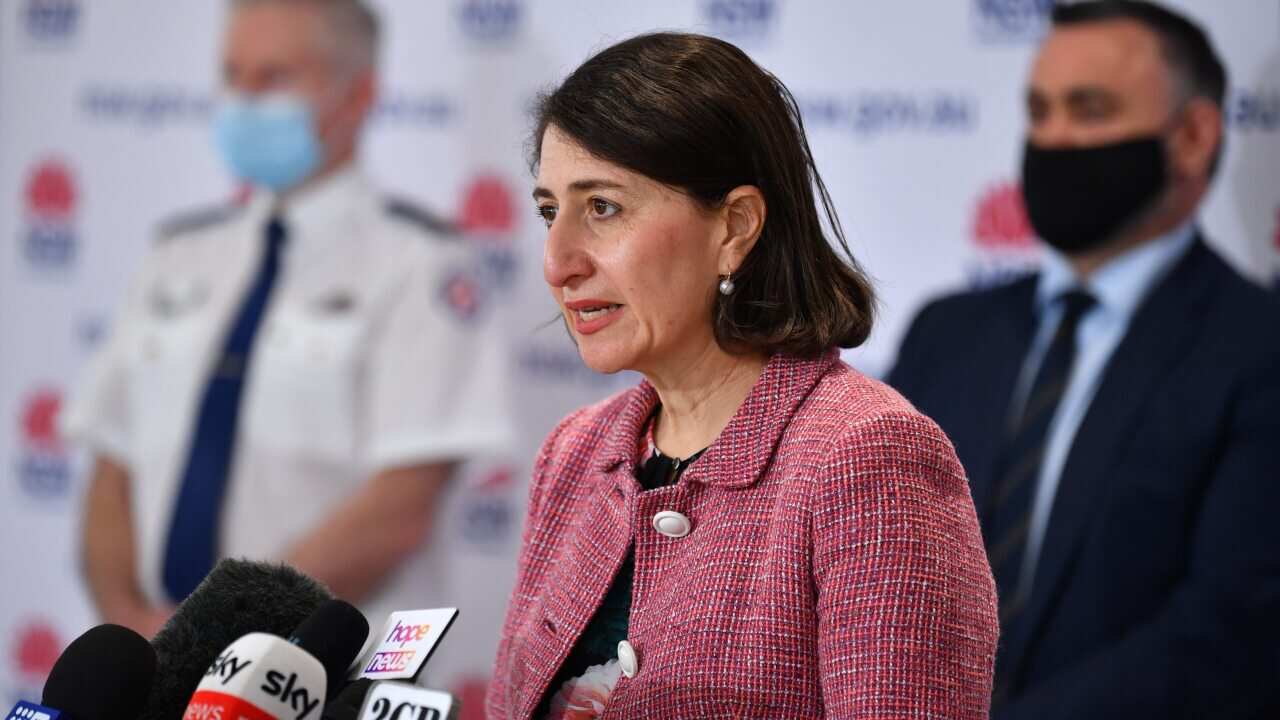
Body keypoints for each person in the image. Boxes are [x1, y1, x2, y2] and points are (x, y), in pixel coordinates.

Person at [486, 32, 998, 720]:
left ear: (735, 227)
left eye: (601, 207)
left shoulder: (867, 456)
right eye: (550, 212)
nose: (558, 261)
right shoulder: (575, 452)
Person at [63, 0, 509, 636]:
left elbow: (402, 504)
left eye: (272, 78)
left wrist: (212, 631)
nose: (242, 101)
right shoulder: (177, 253)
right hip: (151, 667)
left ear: (357, 95)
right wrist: (128, 627)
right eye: (232, 74)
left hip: (321, 672)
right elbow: (112, 465)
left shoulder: (420, 264)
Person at [888, 2, 1280, 717]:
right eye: (1038, 111)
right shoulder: (947, 335)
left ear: (1193, 136)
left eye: (1089, 110)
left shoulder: (1258, 347)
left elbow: (1230, 630)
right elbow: (870, 561)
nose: (1053, 138)